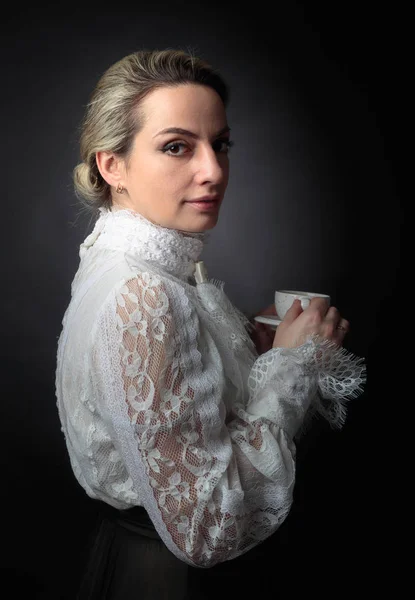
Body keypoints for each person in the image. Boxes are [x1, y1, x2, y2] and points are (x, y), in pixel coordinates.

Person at [55, 48, 366, 599]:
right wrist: (293, 366)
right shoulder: (145, 293)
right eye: (176, 146)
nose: (214, 170)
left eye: (219, 144)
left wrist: (247, 354)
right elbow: (205, 527)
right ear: (112, 165)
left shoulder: (127, 260)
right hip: (169, 580)